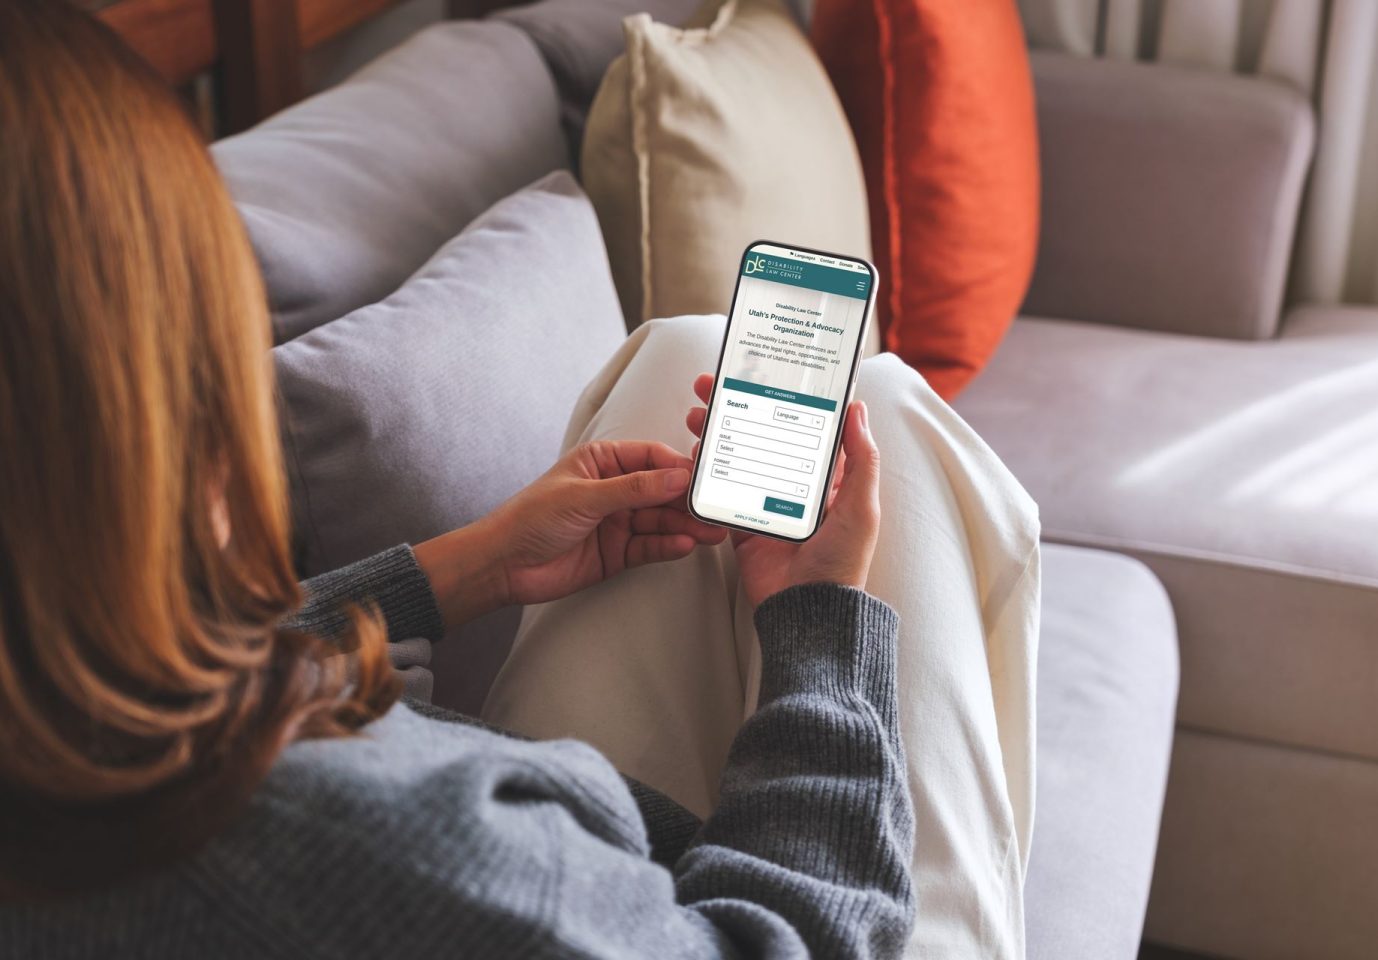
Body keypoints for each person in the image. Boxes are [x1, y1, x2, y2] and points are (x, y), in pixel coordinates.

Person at [0, 3, 918, 956]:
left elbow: (119, 677)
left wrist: (467, 569)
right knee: (894, 421)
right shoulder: (385, 846)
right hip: (779, 904)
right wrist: (822, 619)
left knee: (689, 353)